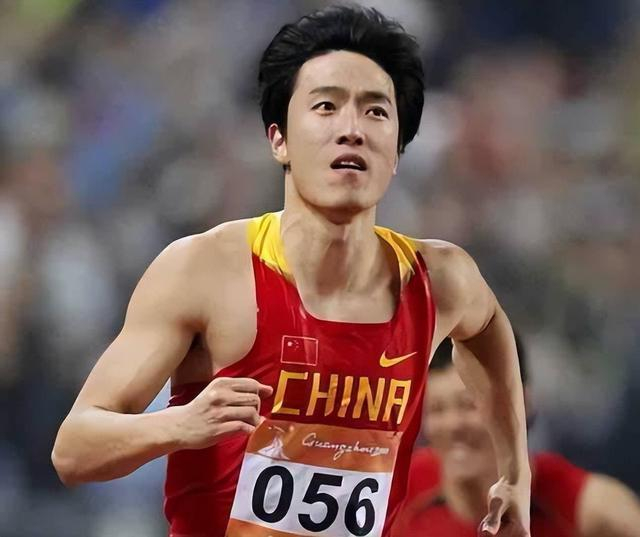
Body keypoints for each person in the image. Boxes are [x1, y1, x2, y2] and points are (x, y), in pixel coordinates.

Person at [52, 6, 531, 537]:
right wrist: (178, 424)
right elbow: (73, 450)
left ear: (397, 151)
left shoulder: (440, 280)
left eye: (375, 112)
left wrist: (515, 474)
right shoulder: (205, 271)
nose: (352, 130)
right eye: (326, 106)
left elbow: (489, 329)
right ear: (278, 138)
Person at [394, 337, 640, 537]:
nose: (453, 425)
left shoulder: (588, 509)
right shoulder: (393, 495)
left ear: (521, 404)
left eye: (469, 405)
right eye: (436, 409)